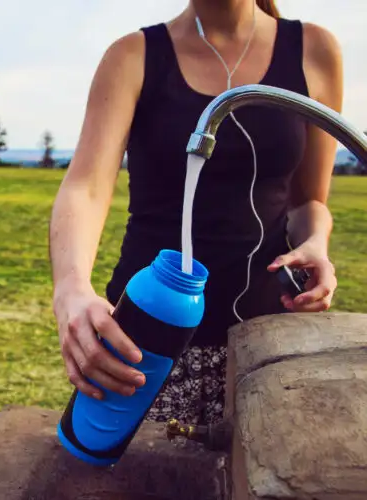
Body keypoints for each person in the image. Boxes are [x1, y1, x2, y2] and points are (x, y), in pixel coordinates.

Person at [48, 0, 342, 426]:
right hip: (146, 341)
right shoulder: (132, 56)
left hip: (272, 337)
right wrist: (71, 289)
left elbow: (308, 202)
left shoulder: (313, 50)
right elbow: (86, 187)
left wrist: (316, 242)